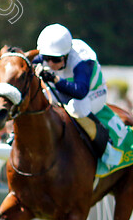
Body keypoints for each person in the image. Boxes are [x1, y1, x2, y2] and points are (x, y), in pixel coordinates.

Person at [33, 23, 124, 160]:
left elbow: (80, 92)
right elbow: (30, 61)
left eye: (56, 59)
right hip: (66, 93)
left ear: (66, 55)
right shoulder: (54, 52)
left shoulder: (82, 61)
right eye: (46, 58)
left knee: (77, 107)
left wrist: (54, 79)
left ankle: (103, 143)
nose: (50, 64)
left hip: (92, 94)